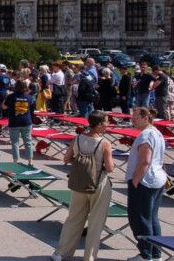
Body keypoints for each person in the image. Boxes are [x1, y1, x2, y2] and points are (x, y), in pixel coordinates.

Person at [51, 111, 114, 261]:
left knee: (73, 218)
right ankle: (89, 256)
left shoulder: (77, 138)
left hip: (79, 182)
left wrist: (82, 163)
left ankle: (61, 252)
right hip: (98, 183)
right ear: (99, 124)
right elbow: (110, 168)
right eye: (106, 122)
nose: (108, 124)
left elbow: (66, 159)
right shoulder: (104, 143)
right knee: (96, 222)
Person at [126, 106, 167, 261]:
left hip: (145, 181)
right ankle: (155, 254)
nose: (132, 120)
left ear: (145, 118)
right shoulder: (157, 133)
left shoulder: (146, 135)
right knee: (152, 218)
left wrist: (135, 180)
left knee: (140, 219)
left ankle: (146, 255)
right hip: (156, 179)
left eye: (135, 117)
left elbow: (145, 161)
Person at [3, 80, 36, 166]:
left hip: (14, 122)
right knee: (28, 141)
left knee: (15, 142)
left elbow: (4, 107)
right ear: (25, 87)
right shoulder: (29, 97)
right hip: (26, 121)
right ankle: (30, 160)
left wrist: (5, 98)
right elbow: (32, 107)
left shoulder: (11, 97)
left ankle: (16, 160)